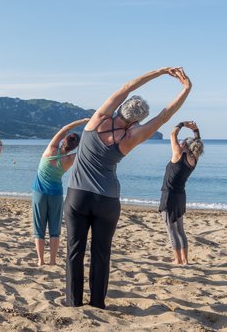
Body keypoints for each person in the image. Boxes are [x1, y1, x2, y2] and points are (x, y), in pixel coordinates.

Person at [65, 67, 192, 309]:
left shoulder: (98, 119)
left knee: (75, 250)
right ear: (136, 120)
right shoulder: (131, 137)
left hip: (77, 196)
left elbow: (127, 88)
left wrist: (161, 72)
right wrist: (186, 89)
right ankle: (97, 304)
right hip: (107, 200)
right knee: (101, 254)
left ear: (122, 108)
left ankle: (73, 302)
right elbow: (165, 116)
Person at [31, 118, 88, 266]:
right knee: (55, 229)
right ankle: (53, 261)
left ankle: (40, 260)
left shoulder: (51, 149)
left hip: (39, 193)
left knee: (39, 228)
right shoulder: (71, 158)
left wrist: (83, 120)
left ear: (64, 140)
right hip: (56, 194)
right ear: (75, 146)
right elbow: (87, 149)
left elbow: (65, 128)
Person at [159, 120, 203, 265]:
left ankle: (177, 260)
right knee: (180, 230)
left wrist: (182, 123)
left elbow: (173, 134)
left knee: (171, 230)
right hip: (180, 196)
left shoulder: (178, 154)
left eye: (182, 142)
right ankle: (185, 260)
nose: (180, 143)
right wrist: (195, 130)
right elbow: (197, 143)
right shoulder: (194, 159)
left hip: (170, 196)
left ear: (184, 146)